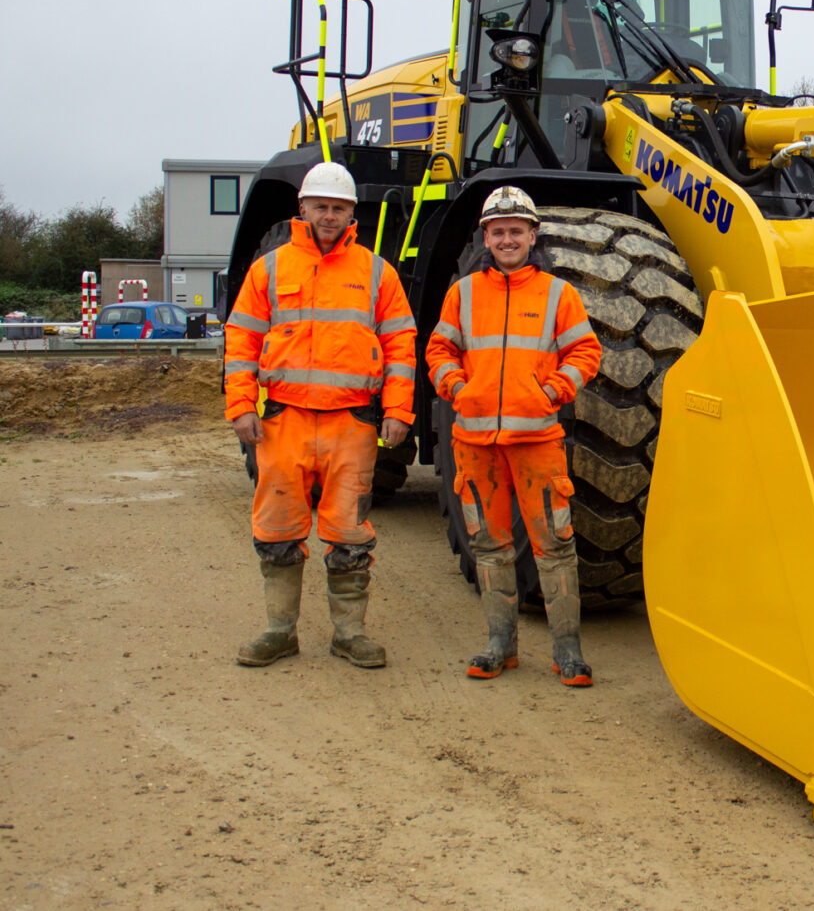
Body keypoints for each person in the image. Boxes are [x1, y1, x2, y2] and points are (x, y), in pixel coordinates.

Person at [223, 161, 417, 669]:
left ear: (352, 214)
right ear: (303, 208)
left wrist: (399, 409)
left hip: (351, 424)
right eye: (321, 206)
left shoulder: (376, 272)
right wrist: (240, 405)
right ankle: (279, 632)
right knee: (277, 530)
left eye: (339, 208)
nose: (329, 216)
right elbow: (241, 340)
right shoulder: (269, 268)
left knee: (349, 534)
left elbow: (401, 345)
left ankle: (350, 635)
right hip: (282, 421)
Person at [425, 186, 603, 685]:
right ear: (486, 237)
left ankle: (568, 652)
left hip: (537, 442)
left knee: (555, 546)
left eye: (516, 231)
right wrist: (458, 389)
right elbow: (439, 351)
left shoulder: (558, 294)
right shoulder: (462, 293)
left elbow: (586, 352)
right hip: (475, 443)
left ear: (532, 235)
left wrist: (552, 391)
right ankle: (499, 646)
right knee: (489, 545)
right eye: (498, 231)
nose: (507, 239)